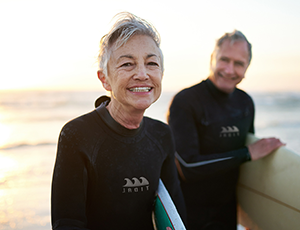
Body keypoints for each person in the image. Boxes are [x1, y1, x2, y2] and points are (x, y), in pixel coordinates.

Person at [51, 12, 185, 230]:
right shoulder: (76, 135)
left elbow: (175, 212)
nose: (142, 74)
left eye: (151, 63)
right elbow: (67, 223)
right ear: (105, 79)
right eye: (127, 64)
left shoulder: (162, 135)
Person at [167, 30, 285, 230]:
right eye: (224, 60)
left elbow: (247, 170)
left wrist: (254, 216)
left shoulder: (245, 103)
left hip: (227, 214)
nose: (230, 70)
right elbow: (187, 167)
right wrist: (248, 153)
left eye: (239, 63)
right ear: (212, 59)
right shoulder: (186, 101)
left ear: (247, 67)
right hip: (188, 213)